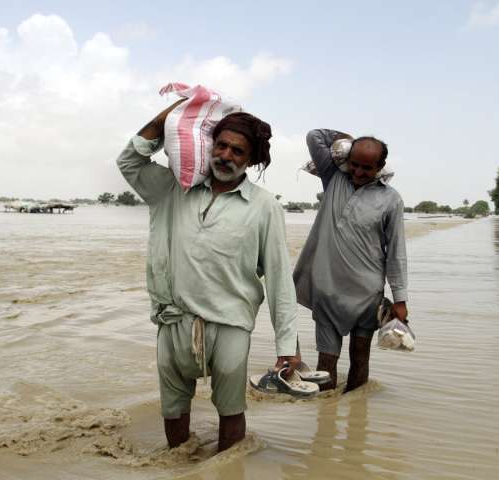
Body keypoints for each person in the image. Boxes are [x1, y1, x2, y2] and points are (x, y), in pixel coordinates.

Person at [116, 101, 300, 452]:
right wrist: (161, 120)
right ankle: (178, 465)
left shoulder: (264, 207)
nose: (226, 155)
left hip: (229, 324)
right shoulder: (173, 188)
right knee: (172, 409)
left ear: (252, 160)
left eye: (237, 151)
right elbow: (128, 161)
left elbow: (279, 279)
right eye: (221, 145)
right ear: (210, 145)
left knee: (231, 409)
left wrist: (286, 348)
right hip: (173, 319)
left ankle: (228, 465)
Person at [293, 129, 409, 392]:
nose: (357, 171)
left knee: (360, 359)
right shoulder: (333, 178)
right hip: (327, 290)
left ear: (380, 168)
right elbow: (314, 137)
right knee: (326, 365)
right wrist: (348, 137)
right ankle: (326, 422)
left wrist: (400, 300)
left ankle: (357, 417)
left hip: (366, 296)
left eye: (367, 167)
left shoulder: (391, 199)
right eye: (354, 164)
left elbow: (396, 252)